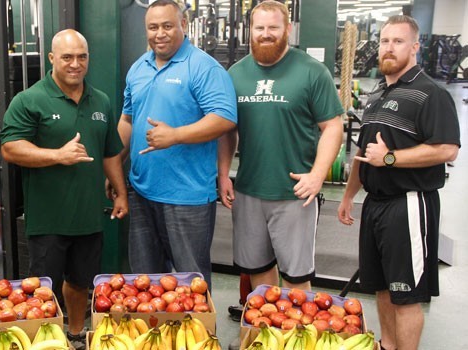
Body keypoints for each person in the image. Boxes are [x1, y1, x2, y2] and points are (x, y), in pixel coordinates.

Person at [0, 29, 128, 350]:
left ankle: (74, 334)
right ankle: (45, 339)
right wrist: (58, 155)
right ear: (52, 58)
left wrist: (120, 190)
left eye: (81, 57)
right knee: (44, 287)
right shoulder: (30, 100)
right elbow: (11, 149)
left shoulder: (100, 100)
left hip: (87, 214)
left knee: (80, 282)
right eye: (67, 57)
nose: (75, 64)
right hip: (48, 218)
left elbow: (110, 151)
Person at [338, 15, 460, 350]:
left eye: (398, 41)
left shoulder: (430, 94)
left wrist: (391, 158)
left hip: (408, 202)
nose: (388, 48)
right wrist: (350, 195)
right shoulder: (378, 91)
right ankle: (387, 345)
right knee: (381, 287)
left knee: (406, 295)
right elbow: (364, 151)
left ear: (415, 47)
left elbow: (448, 149)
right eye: (384, 41)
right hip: (375, 205)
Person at [218, 0, 344, 293]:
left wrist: (317, 175)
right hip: (249, 189)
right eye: (259, 27)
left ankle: (293, 338)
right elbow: (227, 131)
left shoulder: (313, 72)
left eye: (273, 27)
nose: (266, 33)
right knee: (259, 272)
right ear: (250, 30)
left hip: (294, 192)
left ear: (288, 29)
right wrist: (224, 173)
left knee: (296, 278)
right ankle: (266, 336)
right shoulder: (235, 74)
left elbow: (333, 127)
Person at [117, 0, 237, 286]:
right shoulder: (139, 68)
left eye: (167, 26)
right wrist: (114, 164)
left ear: (183, 25)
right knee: (145, 283)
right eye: (153, 27)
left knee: (190, 284)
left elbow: (224, 118)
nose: (160, 33)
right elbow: (127, 120)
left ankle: (198, 333)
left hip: (187, 197)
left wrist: (175, 135)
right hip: (143, 190)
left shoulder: (202, 67)